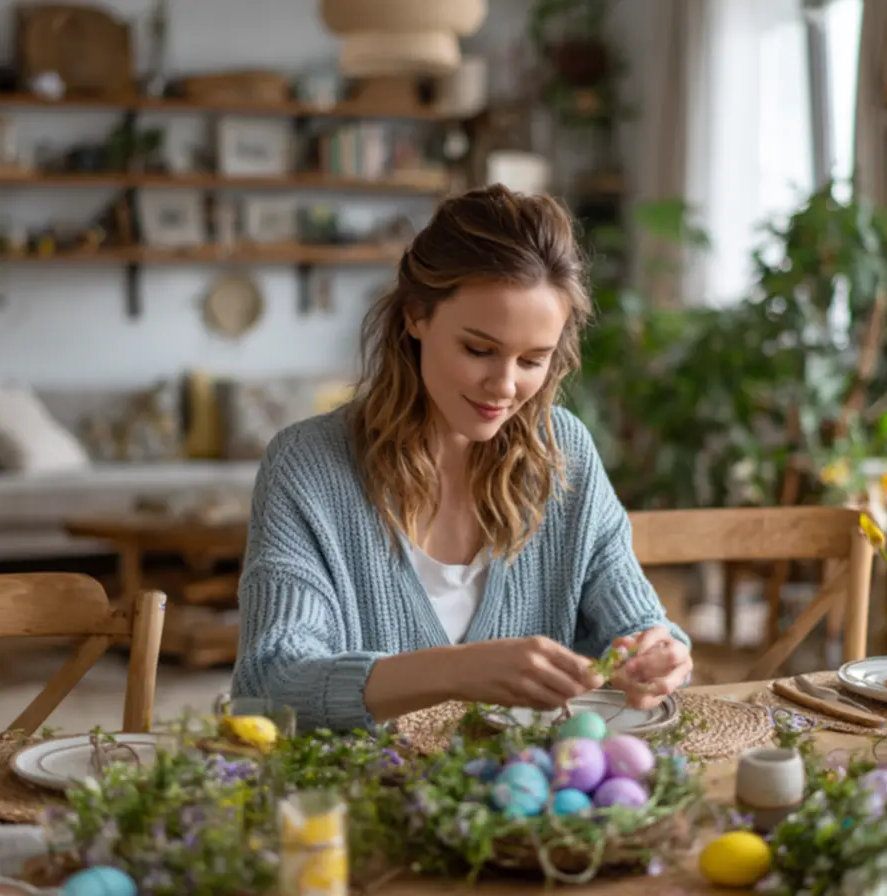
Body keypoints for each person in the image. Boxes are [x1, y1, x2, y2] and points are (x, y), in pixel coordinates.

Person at [231, 185, 693, 731]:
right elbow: (267, 688)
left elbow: (641, 625)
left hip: (537, 805)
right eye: (479, 349)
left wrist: (658, 654)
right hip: (366, 801)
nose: (503, 386)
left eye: (533, 359)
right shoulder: (307, 466)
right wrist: (458, 670)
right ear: (415, 317)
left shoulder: (563, 450)